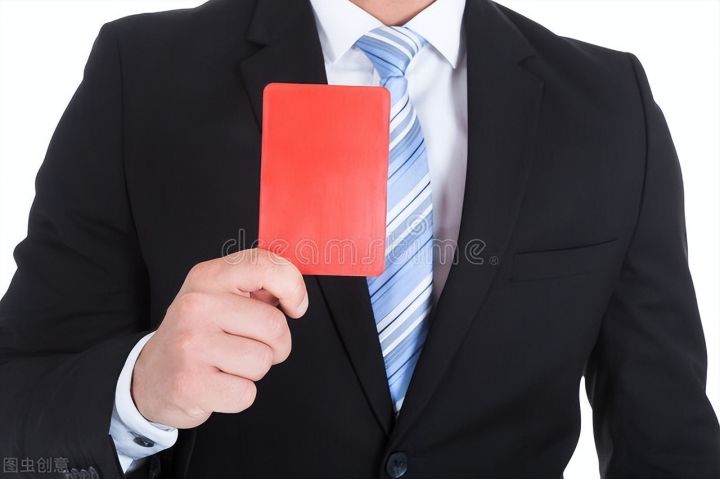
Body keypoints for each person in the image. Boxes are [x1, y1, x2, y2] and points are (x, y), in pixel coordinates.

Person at [1, 0, 719, 478]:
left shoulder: (608, 104)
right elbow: (16, 417)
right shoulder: (141, 74)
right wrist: (138, 392)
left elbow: (668, 437)